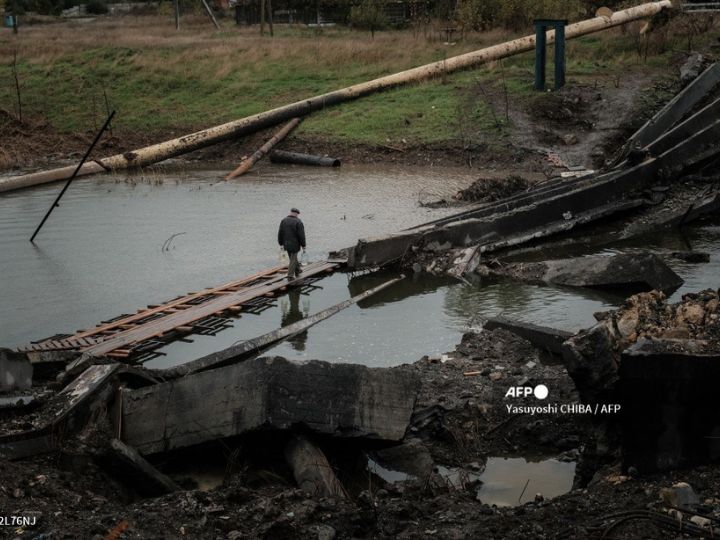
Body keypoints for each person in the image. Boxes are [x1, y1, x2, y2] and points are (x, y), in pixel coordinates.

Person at [277, 207, 306, 279]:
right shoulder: (298, 222)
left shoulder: (283, 221)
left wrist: (280, 243)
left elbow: (280, 233)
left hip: (286, 243)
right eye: (297, 214)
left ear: (290, 212)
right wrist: (303, 245)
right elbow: (301, 235)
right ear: (296, 213)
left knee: (293, 258)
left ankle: (298, 270)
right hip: (295, 244)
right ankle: (290, 275)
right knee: (293, 259)